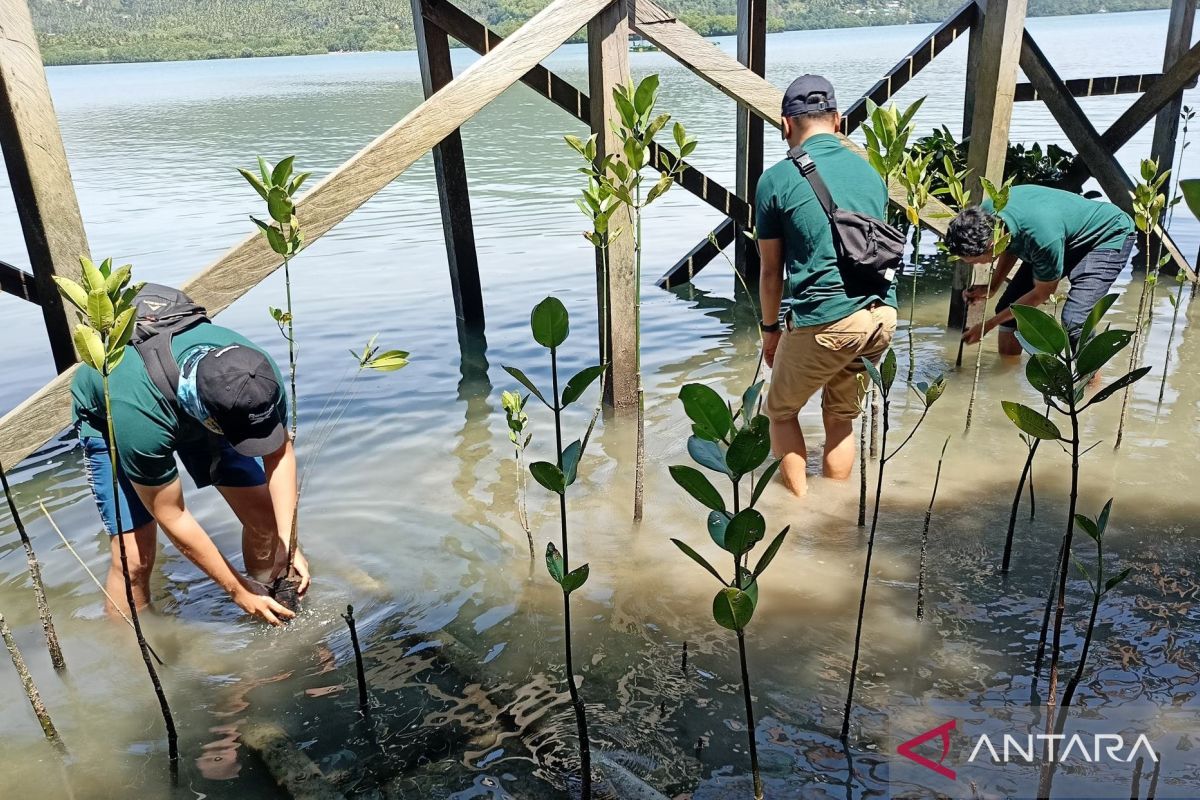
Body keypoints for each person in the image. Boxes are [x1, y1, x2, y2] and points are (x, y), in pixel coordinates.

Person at [72, 284, 310, 626]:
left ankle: (269, 601)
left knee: (267, 524)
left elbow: (279, 453)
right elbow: (172, 513)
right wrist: (235, 589)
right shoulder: (138, 416)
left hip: (210, 402)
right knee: (134, 560)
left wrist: (289, 544)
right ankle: (138, 657)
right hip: (115, 416)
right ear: (210, 418)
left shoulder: (255, 375)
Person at [756, 75, 898, 498]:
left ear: (785, 125)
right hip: (880, 316)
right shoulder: (870, 172)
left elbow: (770, 272)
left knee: (779, 411)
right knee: (840, 418)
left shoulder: (777, 180)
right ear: (838, 121)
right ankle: (836, 515)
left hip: (826, 320)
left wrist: (770, 331)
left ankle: (799, 513)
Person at [948, 184, 1135, 352]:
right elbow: (1010, 245)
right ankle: (1007, 379)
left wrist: (987, 326)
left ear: (991, 245)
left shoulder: (1042, 239)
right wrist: (992, 287)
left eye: (976, 261)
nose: (976, 265)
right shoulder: (990, 213)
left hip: (1107, 235)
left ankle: (1093, 386)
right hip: (1062, 233)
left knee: (1074, 321)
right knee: (1008, 309)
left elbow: (1041, 294)